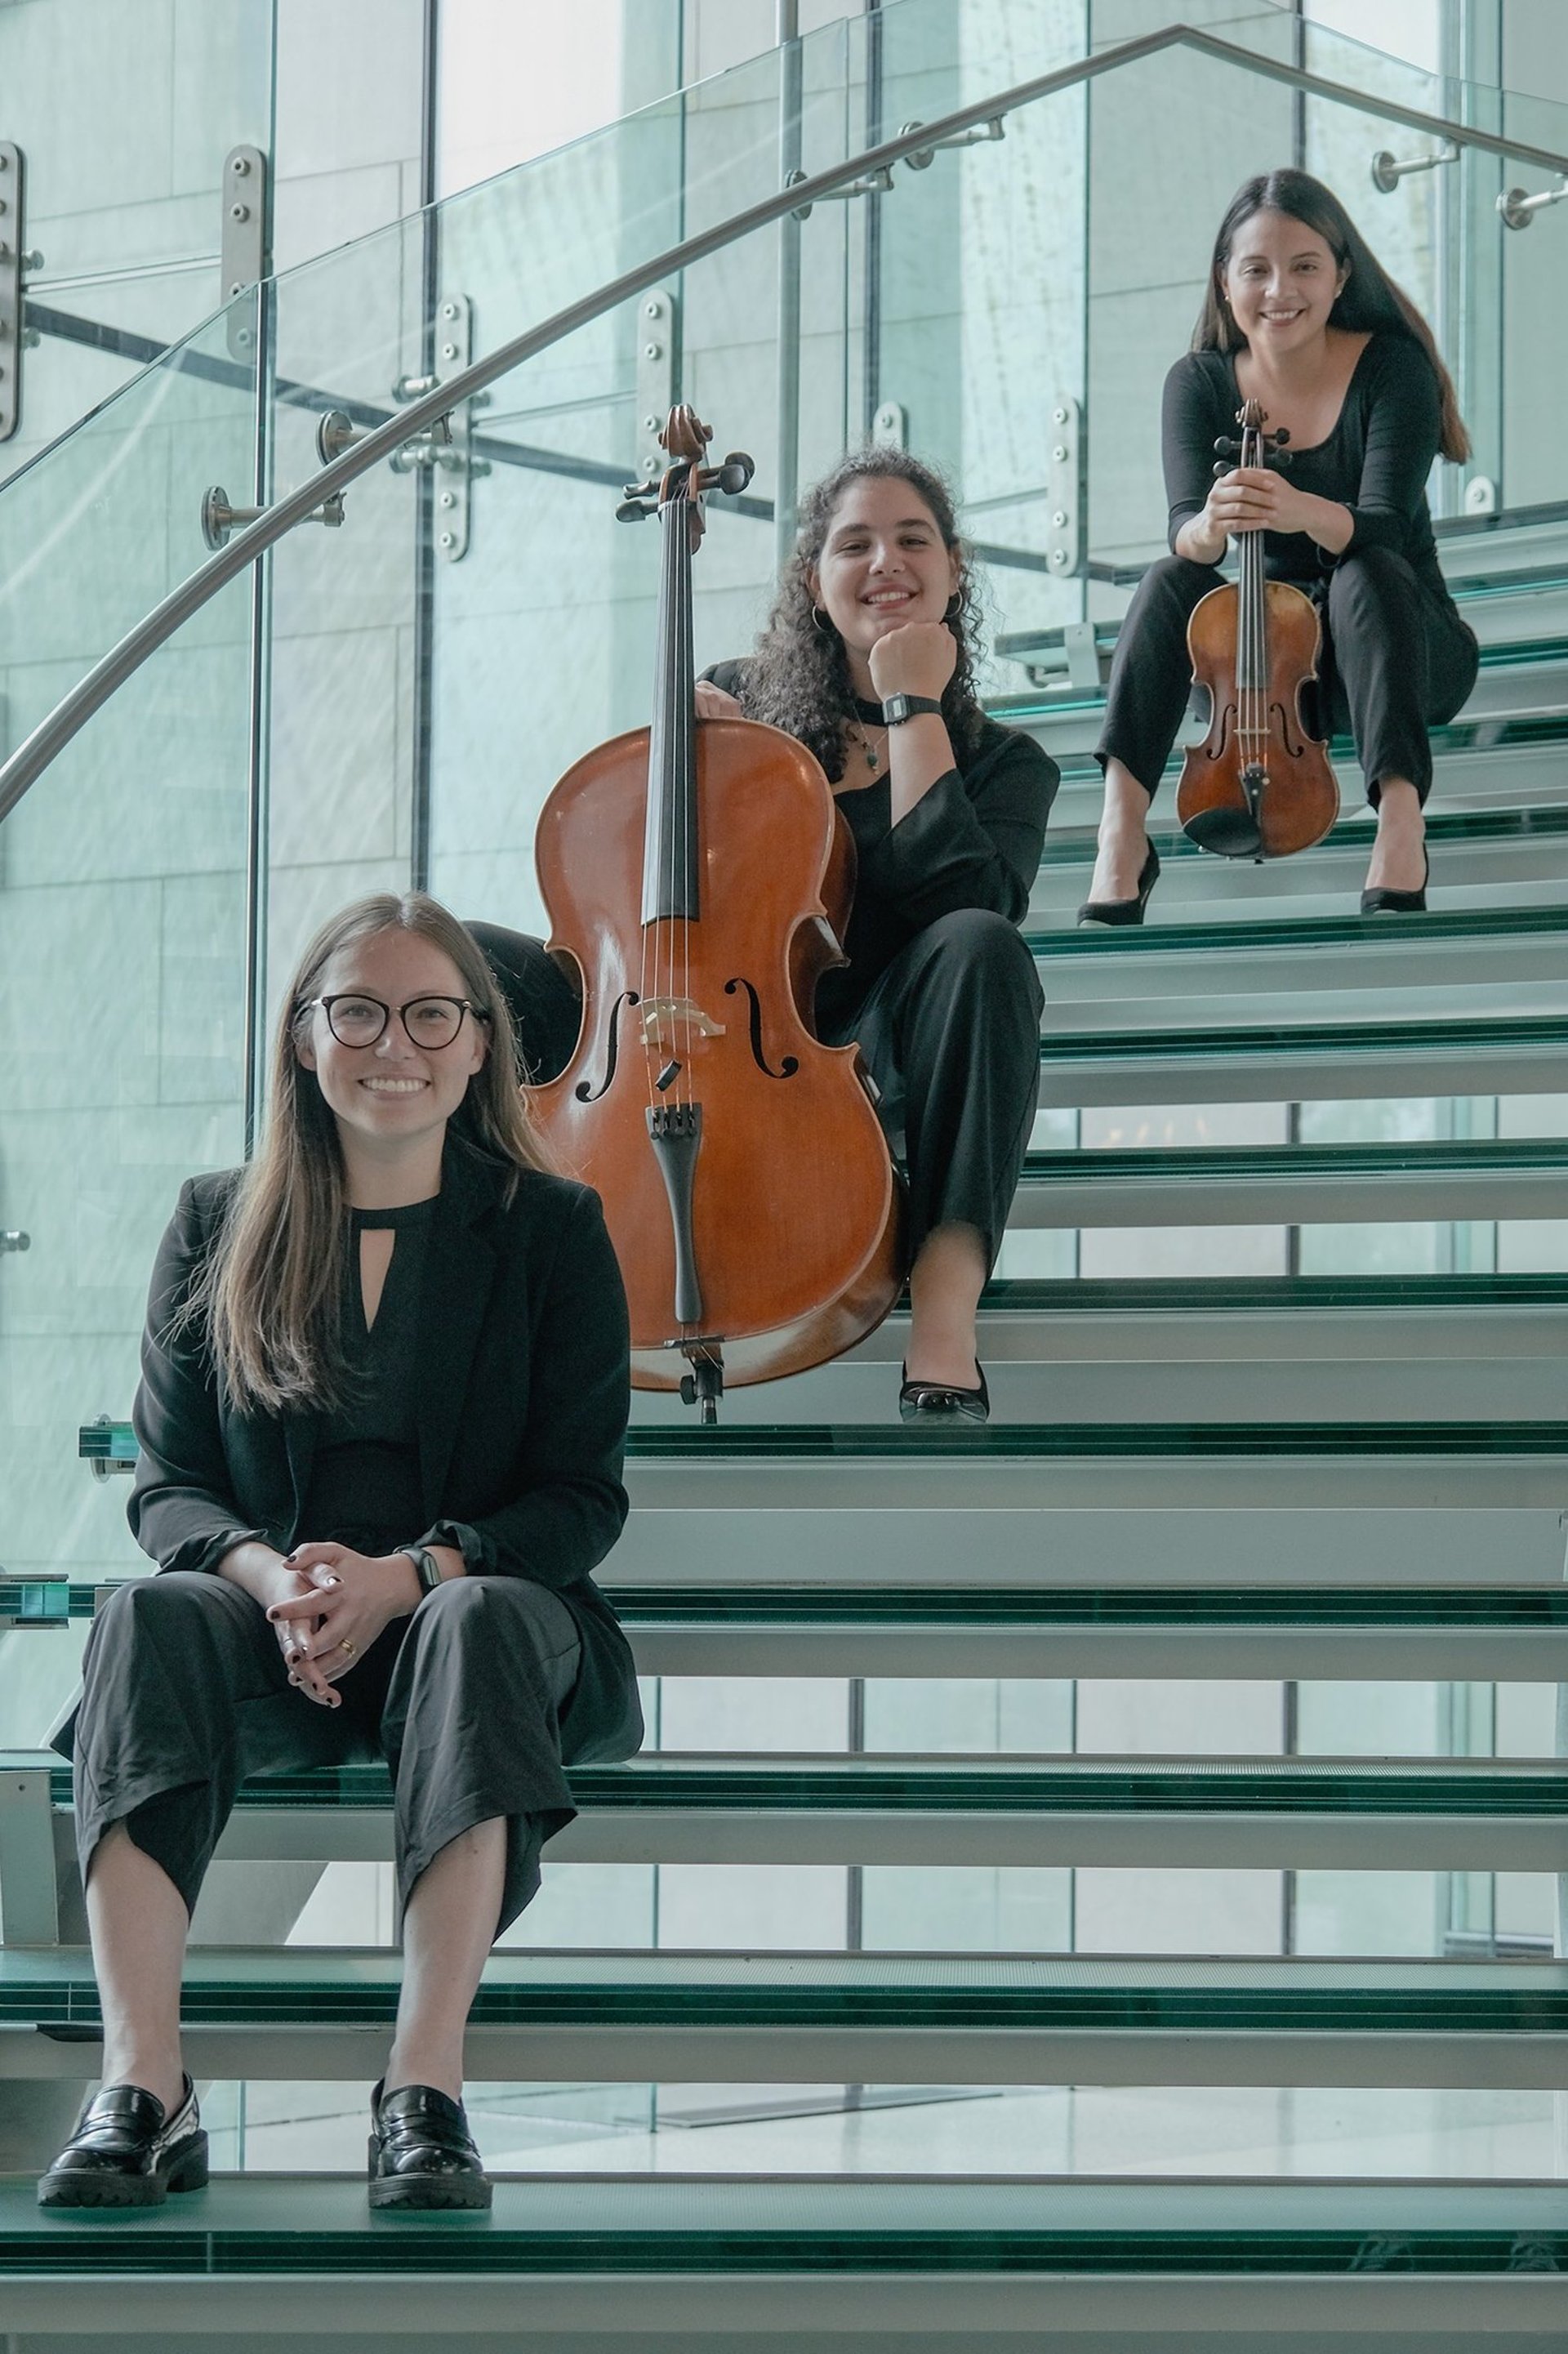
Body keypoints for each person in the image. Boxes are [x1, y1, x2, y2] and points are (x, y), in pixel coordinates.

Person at [40, 893, 641, 2214]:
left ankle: (422, 2090)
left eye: (434, 1013)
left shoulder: (552, 1230)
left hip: (481, 1629)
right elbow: (172, 1489)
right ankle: (145, 2083)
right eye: (355, 1010)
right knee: (146, 1612)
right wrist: (267, 1577)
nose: (396, 1043)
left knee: (478, 1615)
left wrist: (409, 1575)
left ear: (481, 1044)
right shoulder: (217, 1221)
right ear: (304, 1041)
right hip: (272, 1631)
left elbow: (578, 1500)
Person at [695, 448, 1059, 1420]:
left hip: (889, 1053)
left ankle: (944, 1298)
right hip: (735, 1034)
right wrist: (682, 767)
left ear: (952, 573)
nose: (885, 561)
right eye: (853, 543)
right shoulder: (735, 703)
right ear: (816, 583)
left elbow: (965, 910)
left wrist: (912, 704)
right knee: (475, 964)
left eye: (913, 539)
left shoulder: (1007, 763)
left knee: (984, 945)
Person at [1080, 167, 1479, 925]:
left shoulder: (1393, 370)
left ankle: (1400, 823)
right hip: (1266, 673)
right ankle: (1121, 832)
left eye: (1304, 267)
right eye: (1256, 269)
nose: (1279, 290)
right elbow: (1184, 531)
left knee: (1365, 569)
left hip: (1399, 645)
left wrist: (1296, 508)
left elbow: (1385, 527)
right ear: (1224, 281)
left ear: (1340, 276)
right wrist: (1210, 524)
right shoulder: (1197, 382)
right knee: (1169, 578)